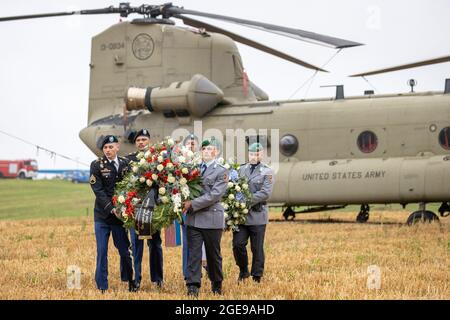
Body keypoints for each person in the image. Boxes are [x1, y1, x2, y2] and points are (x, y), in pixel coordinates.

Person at [89, 135, 137, 293]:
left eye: (111, 147)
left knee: (124, 250)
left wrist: (125, 208)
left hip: (119, 217)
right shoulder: (97, 165)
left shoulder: (125, 163)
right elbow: (99, 191)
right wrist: (112, 208)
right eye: (105, 148)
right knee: (102, 251)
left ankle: (130, 280)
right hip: (103, 216)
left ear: (117, 147)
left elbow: (131, 186)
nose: (108, 150)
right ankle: (102, 285)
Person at [183, 137, 228, 297]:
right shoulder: (193, 168)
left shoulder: (221, 170)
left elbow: (214, 195)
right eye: (204, 149)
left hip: (211, 219)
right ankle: (193, 285)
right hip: (194, 219)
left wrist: (192, 204)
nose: (207, 152)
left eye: (210, 149)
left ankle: (216, 282)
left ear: (216, 152)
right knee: (194, 253)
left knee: (213, 254)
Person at [126, 129, 164, 289]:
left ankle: (158, 279)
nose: (141, 142)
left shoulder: (156, 159)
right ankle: (136, 280)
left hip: (152, 209)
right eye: (138, 140)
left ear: (149, 140)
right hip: (136, 209)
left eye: (143, 139)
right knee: (136, 246)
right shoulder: (129, 160)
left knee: (155, 245)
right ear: (135, 143)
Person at [233, 142, 274, 283]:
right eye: (251, 154)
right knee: (238, 244)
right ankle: (243, 270)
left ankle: (257, 275)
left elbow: (265, 193)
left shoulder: (267, 172)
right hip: (241, 217)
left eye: (257, 154)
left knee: (256, 248)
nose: (254, 157)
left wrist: (246, 200)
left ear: (261, 154)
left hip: (257, 215)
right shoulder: (240, 169)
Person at [181, 133, 208, 280]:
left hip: (201, 208)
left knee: (204, 241)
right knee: (187, 242)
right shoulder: (179, 164)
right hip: (185, 209)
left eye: (193, 143)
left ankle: (206, 267)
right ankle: (188, 273)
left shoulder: (202, 163)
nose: (191, 145)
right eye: (189, 143)